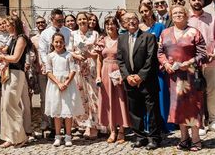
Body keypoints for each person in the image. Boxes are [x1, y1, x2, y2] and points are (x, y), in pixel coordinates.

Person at [158, 4, 207, 151]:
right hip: (173, 77)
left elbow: (203, 54)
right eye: (175, 13)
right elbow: (160, 52)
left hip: (191, 76)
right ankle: (184, 138)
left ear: (186, 15)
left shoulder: (194, 32)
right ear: (171, 16)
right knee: (178, 107)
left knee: (193, 107)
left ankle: (196, 139)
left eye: (181, 12)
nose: (178, 15)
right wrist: (165, 64)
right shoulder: (165, 33)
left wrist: (189, 62)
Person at [117, 12, 162, 150]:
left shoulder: (148, 37)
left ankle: (154, 138)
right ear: (123, 24)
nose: (131, 21)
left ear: (138, 21)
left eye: (133, 18)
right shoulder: (122, 38)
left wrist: (140, 76)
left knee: (152, 110)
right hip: (130, 81)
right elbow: (120, 60)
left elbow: (151, 59)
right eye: (127, 19)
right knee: (135, 111)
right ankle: (140, 137)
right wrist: (127, 76)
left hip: (147, 80)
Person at [187, 0, 215, 135]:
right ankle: (199, 123)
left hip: (211, 60)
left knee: (212, 91)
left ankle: (213, 121)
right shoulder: (186, 20)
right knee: (195, 93)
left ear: (203, 1)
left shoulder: (212, 18)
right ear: (189, 2)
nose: (196, 1)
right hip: (193, 64)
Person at [0, 15, 31, 148]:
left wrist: (2, 57)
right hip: (9, 73)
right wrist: (2, 54)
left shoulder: (21, 38)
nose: (5, 26)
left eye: (8, 24)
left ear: (14, 25)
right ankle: (10, 137)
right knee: (5, 106)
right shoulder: (13, 39)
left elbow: (16, 58)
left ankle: (21, 137)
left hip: (16, 73)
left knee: (11, 105)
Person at [45, 33, 83, 147]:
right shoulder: (50, 56)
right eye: (56, 42)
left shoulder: (68, 55)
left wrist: (66, 83)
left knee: (67, 111)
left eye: (61, 42)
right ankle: (57, 136)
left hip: (67, 85)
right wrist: (58, 83)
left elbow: (73, 70)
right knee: (57, 111)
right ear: (52, 43)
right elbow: (48, 71)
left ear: (64, 43)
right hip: (55, 84)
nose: (58, 44)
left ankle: (68, 136)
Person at [96, 16, 129, 144]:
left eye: (112, 24)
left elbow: (125, 58)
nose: (110, 26)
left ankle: (121, 130)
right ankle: (112, 130)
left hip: (118, 71)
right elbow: (99, 59)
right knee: (108, 101)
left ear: (117, 25)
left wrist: (123, 74)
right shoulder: (102, 40)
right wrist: (98, 75)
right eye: (107, 24)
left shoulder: (122, 39)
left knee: (120, 100)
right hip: (105, 71)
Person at [139, 2, 172, 132]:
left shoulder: (159, 26)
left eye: (146, 11)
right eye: (141, 12)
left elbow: (166, 44)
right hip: (144, 65)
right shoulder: (140, 28)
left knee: (161, 94)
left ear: (151, 11)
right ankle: (149, 125)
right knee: (147, 96)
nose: (144, 14)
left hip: (158, 64)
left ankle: (165, 124)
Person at [69, 11, 100, 139]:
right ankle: (83, 124)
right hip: (77, 68)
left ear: (88, 21)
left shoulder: (94, 34)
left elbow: (98, 53)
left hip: (91, 68)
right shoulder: (72, 34)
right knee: (81, 97)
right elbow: (69, 50)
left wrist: (89, 55)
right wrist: (76, 55)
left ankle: (93, 126)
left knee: (93, 97)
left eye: (84, 19)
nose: (82, 21)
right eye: (80, 19)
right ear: (77, 21)